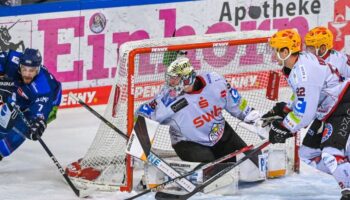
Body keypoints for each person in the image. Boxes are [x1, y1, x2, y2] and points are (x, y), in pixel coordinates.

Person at [264, 29, 350, 200]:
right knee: (307, 155)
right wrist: (286, 109)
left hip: (343, 104)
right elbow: (304, 100)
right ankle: (345, 170)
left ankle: (347, 188)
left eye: (276, 49)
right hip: (327, 109)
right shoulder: (296, 64)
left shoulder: (304, 73)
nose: (272, 53)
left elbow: (306, 114)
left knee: (331, 153)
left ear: (286, 51)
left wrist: (283, 128)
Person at [135, 56, 262, 167]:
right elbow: (145, 114)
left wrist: (254, 118)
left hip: (220, 134)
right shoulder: (168, 98)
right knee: (211, 173)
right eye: (170, 78)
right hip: (188, 143)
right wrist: (137, 148)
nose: (171, 82)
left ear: (187, 78)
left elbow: (236, 103)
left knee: (252, 162)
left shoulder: (215, 81)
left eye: (175, 78)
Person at [0, 48, 62, 160]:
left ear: (38, 69)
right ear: (20, 65)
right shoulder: (12, 59)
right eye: (24, 69)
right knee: (6, 117)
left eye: (32, 70)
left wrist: (38, 123)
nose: (27, 74)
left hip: (49, 103)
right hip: (22, 92)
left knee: (22, 129)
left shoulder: (43, 86)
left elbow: (41, 111)